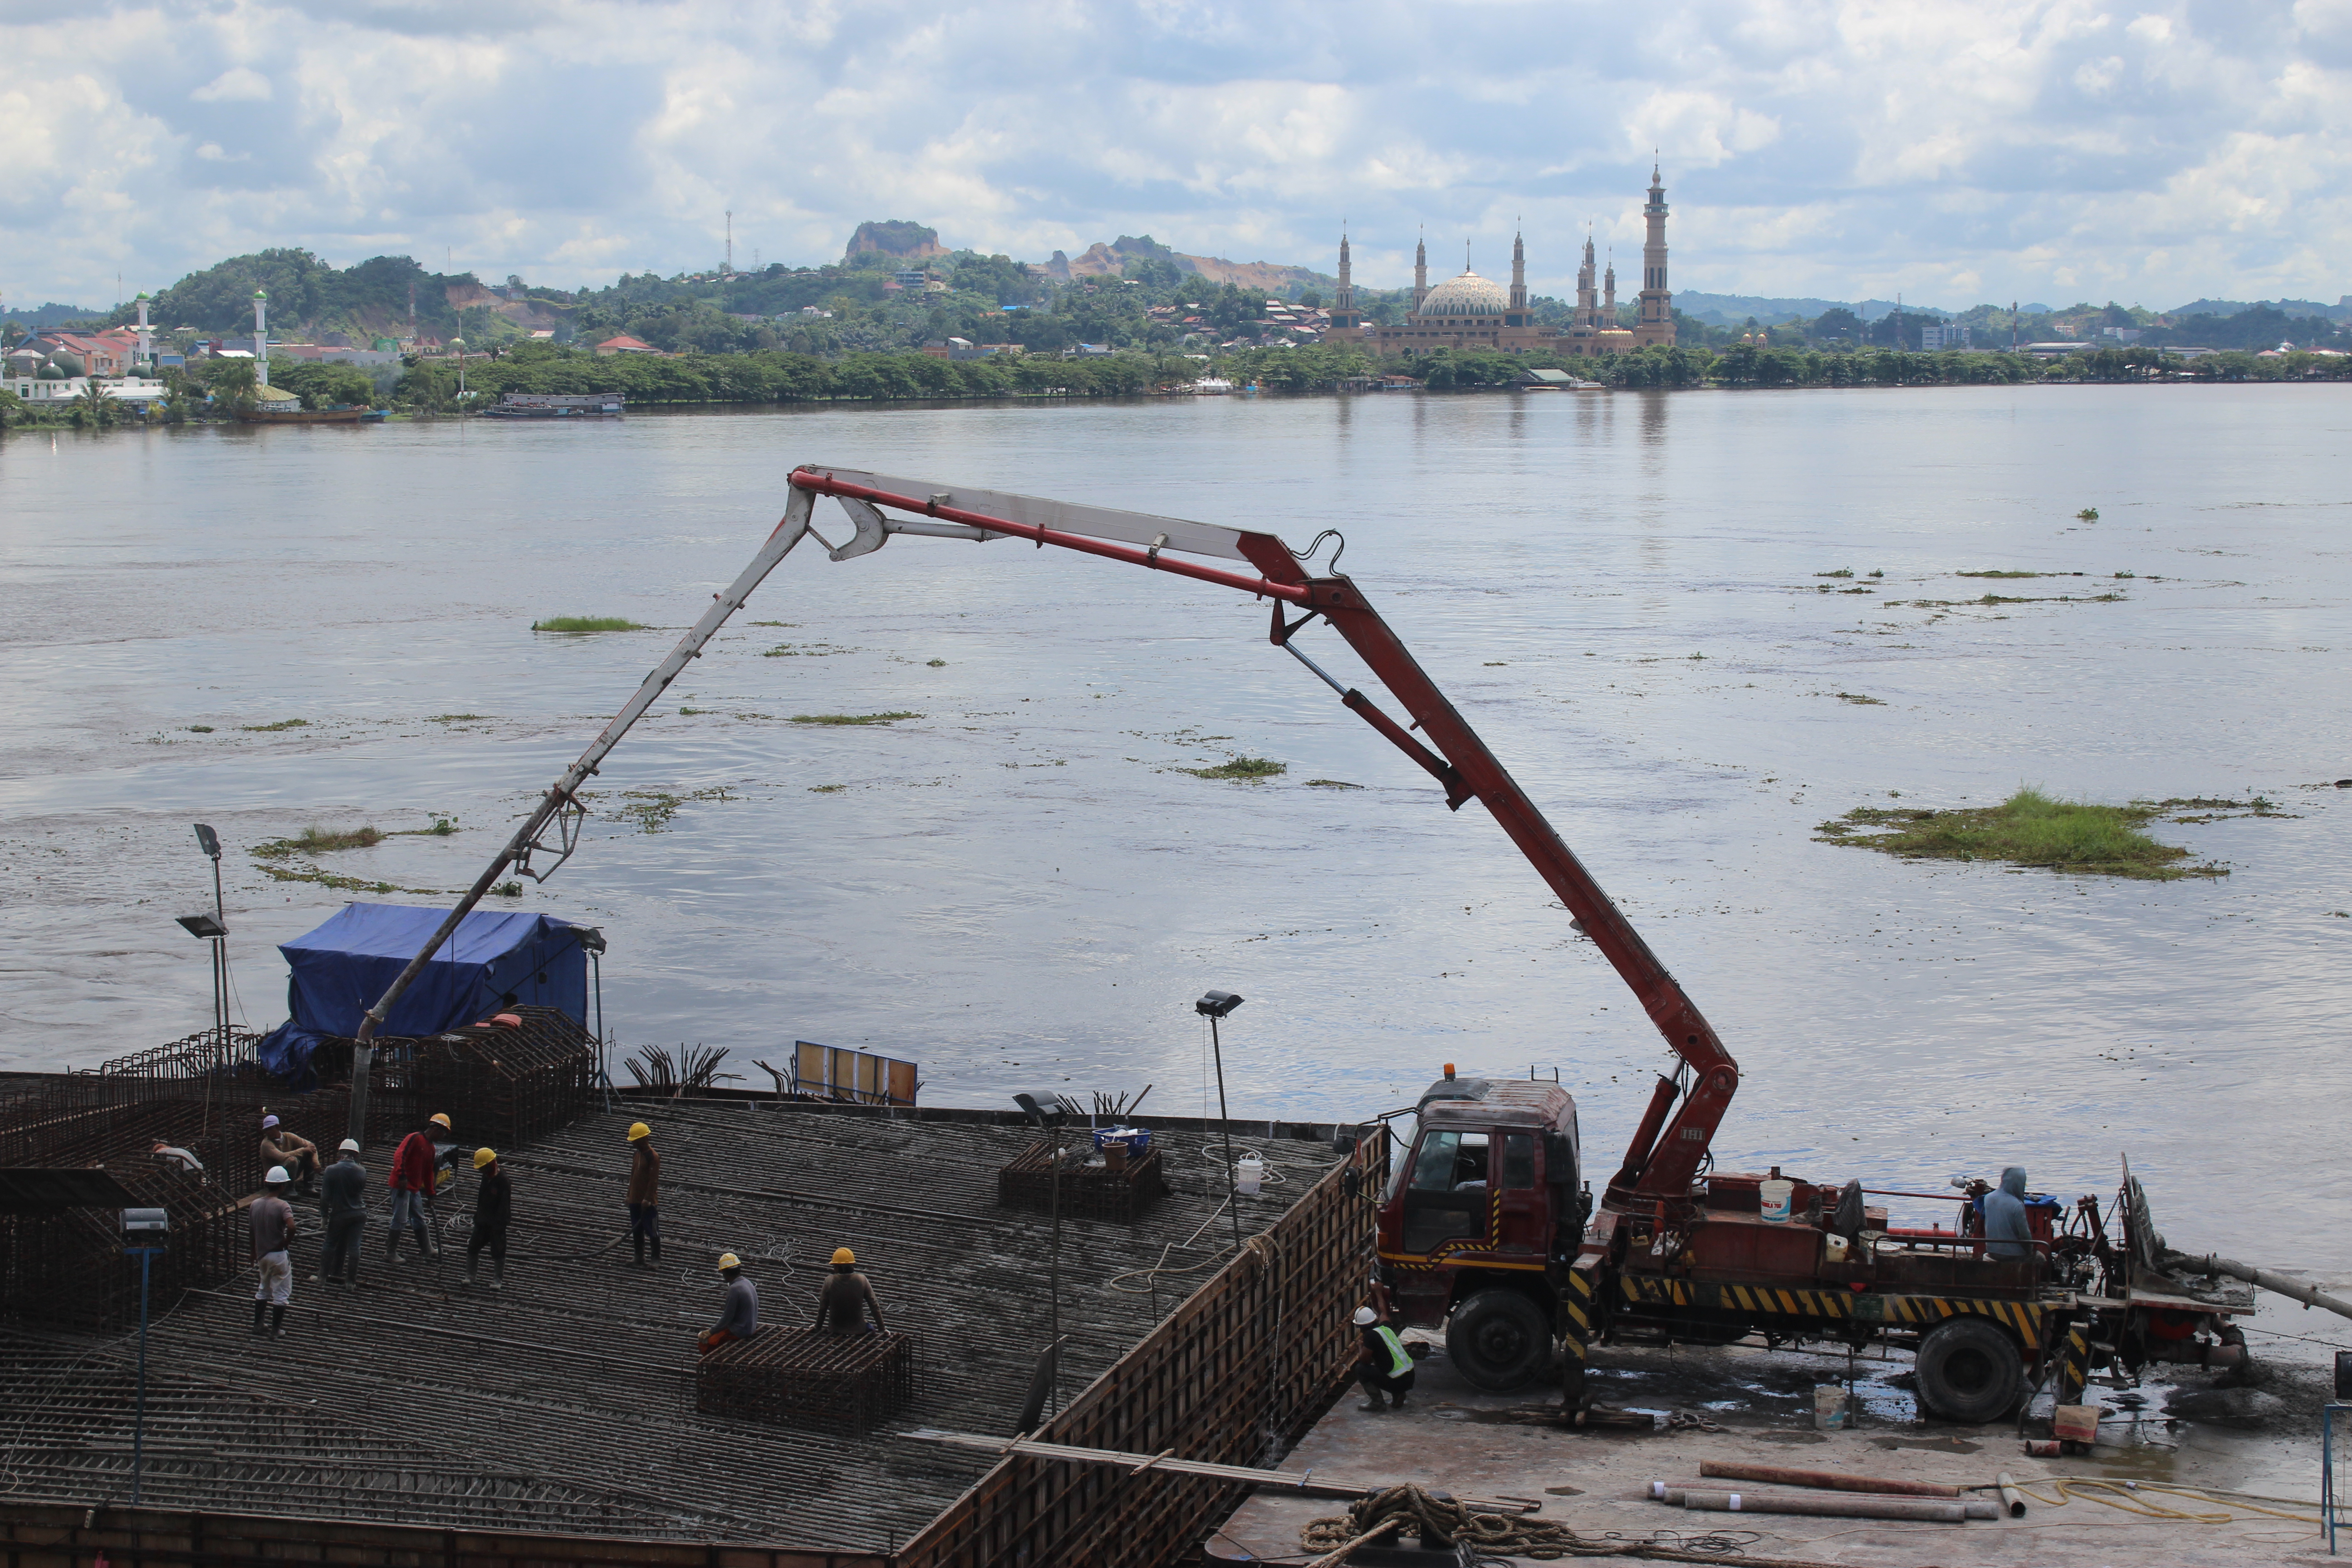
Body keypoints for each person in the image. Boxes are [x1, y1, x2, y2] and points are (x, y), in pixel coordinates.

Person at [387, 1112, 449, 1262]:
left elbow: (428, 1172)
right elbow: (399, 1155)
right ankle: (390, 1253)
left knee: (420, 1219)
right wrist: (402, 1175)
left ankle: (427, 1249)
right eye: (444, 1133)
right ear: (436, 1129)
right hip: (401, 1186)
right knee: (400, 1219)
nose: (444, 1137)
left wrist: (431, 1194)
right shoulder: (415, 1138)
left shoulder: (432, 1148)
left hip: (414, 1189)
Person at [251, 1166, 298, 1338]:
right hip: (278, 1254)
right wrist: (286, 1242)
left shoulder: (255, 1204)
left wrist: (252, 1253)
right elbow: (292, 1226)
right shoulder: (282, 1205)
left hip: (262, 1255)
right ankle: (275, 1330)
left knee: (263, 1288)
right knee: (281, 1293)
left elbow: (252, 1231)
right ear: (282, 1186)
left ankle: (258, 1325)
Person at [319, 1138, 367, 1286]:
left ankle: (321, 1278)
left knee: (330, 1244)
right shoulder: (362, 1171)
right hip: (359, 1214)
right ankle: (350, 1282)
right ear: (356, 1155)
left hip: (339, 1214)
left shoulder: (331, 1170)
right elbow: (360, 1190)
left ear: (340, 1152)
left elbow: (325, 1197)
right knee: (354, 1247)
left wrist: (324, 1216)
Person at [1352, 1304, 1415, 1411]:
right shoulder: (1386, 1327)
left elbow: (1364, 1361)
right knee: (1383, 1363)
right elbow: (1384, 1313)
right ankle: (1398, 1394)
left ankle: (1378, 1403)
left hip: (1399, 1382)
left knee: (1360, 1369)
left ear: (1361, 1327)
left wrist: (1360, 1347)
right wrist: (1378, 1292)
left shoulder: (1370, 1336)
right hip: (1410, 1378)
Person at [698, 1252, 759, 1355]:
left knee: (706, 1344)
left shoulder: (734, 1289)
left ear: (725, 1272)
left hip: (741, 1331)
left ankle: (717, 1367)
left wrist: (710, 1332)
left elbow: (727, 1318)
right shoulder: (747, 1282)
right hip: (750, 1327)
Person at [466, 1148, 510, 1289]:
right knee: (473, 1247)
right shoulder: (485, 1177)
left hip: (497, 1223)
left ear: (491, 1163)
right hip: (483, 1220)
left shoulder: (503, 1181)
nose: (482, 1171)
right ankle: (471, 1276)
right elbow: (481, 1198)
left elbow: (504, 1206)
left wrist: (499, 1225)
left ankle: (497, 1280)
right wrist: (478, 1216)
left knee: (498, 1251)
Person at [814, 1247, 886, 1334]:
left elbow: (823, 1307)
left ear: (836, 1266)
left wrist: (817, 1327)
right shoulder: (862, 1279)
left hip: (835, 1331)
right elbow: (874, 1305)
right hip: (859, 1330)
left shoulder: (829, 1281)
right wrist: (882, 1329)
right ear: (852, 1265)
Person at [625, 1121, 661, 1269]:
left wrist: (647, 1199)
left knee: (652, 1230)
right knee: (637, 1229)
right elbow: (633, 1176)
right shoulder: (637, 1155)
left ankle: (655, 1259)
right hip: (635, 1200)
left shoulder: (653, 1157)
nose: (633, 1143)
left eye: (635, 1140)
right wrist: (629, 1195)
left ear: (643, 1139)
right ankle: (639, 1256)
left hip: (648, 1202)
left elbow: (653, 1181)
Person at [1983, 1166, 2034, 1263]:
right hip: (2013, 1255)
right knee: (2041, 1258)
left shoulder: (1988, 1198)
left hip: (1991, 1251)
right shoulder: (2017, 1205)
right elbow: (2024, 1235)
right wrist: (2030, 1251)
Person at [260, 1114, 320, 1196]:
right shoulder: (266, 1144)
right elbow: (282, 1157)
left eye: (270, 1129)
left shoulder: (288, 1136)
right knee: (292, 1160)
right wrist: (302, 1150)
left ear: (278, 1127)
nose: (268, 1132)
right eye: (266, 1130)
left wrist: (316, 1163)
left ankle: (309, 1187)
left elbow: (311, 1146)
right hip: (275, 1178)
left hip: (290, 1173)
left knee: (308, 1153)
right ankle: (289, 1189)